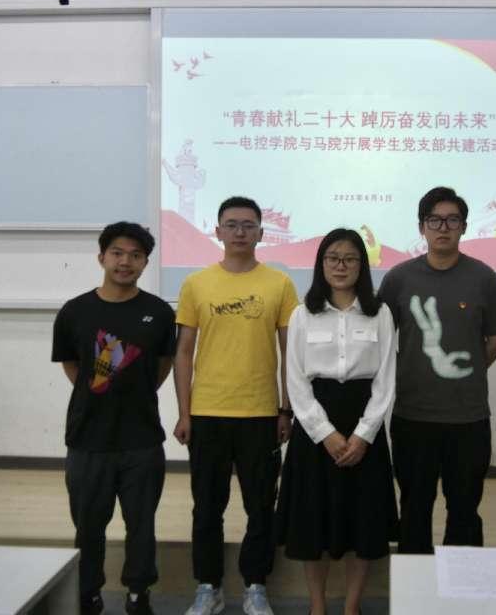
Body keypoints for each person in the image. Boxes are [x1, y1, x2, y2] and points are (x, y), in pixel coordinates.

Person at [174, 197, 299, 615]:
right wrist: (185, 412)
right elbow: (184, 352)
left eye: (248, 225)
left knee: (260, 507)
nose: (240, 232)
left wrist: (285, 409)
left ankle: (255, 586)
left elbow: (291, 352)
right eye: (232, 224)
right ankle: (208, 587)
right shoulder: (196, 284)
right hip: (208, 413)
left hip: (260, 414)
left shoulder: (279, 284)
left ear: (261, 233)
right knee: (207, 507)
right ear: (218, 231)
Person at [52, 221, 176, 615]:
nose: (126, 262)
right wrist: (99, 392)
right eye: (118, 253)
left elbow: (162, 366)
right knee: (89, 526)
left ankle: (139, 594)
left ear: (145, 263)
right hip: (88, 439)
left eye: (135, 255)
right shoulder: (75, 311)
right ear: (101, 257)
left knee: (141, 525)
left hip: (142, 439)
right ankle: (88, 593)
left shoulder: (158, 312)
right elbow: (72, 365)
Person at [378, 186, 496, 553]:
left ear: (464, 227)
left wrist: (469, 368)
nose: (443, 228)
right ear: (422, 227)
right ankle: (414, 585)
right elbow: (381, 338)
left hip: (468, 418)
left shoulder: (483, 278)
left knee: (464, 510)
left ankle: (461, 585)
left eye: (452, 220)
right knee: (414, 508)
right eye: (434, 220)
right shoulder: (399, 278)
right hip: (413, 415)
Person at [276, 228, 398, 615]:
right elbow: (295, 379)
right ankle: (317, 606)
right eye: (333, 258)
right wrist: (325, 433)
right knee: (314, 521)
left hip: (365, 423)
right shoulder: (302, 313)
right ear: (321, 264)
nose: (341, 266)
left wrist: (363, 435)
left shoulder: (380, 312)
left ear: (362, 265)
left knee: (363, 521)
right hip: (316, 426)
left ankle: (352, 606)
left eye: (350, 258)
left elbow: (386, 380)